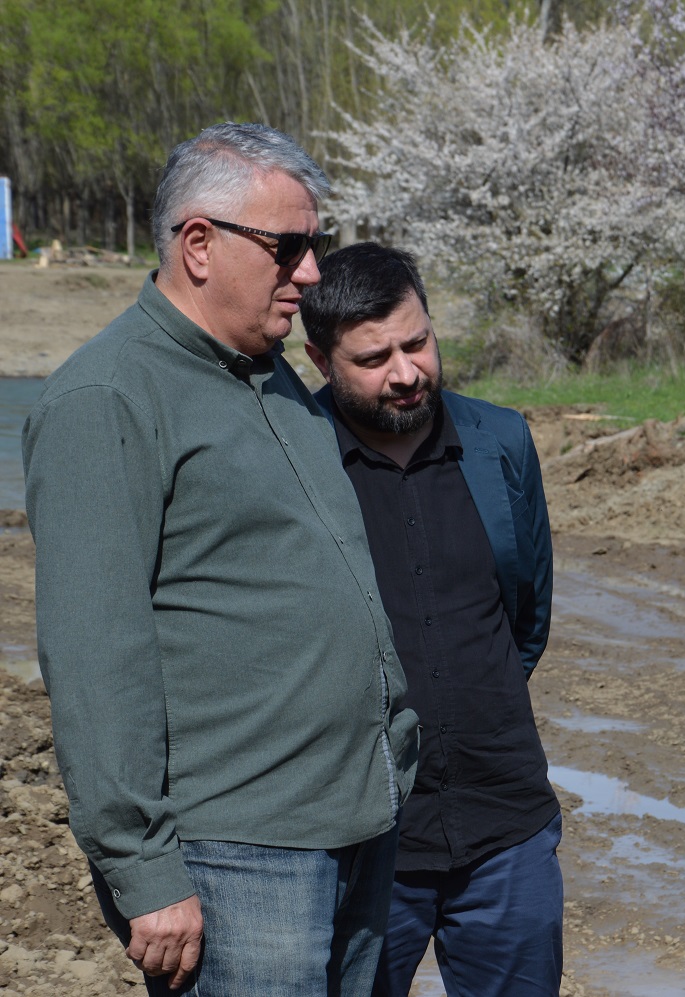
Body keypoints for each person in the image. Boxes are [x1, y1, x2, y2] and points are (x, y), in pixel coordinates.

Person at [22, 123, 419, 995]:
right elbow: (95, 653)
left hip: (357, 821)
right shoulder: (108, 396)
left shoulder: (272, 376)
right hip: (239, 855)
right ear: (198, 245)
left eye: (315, 243)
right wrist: (142, 867)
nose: (311, 272)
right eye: (288, 247)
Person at [299, 243, 561, 997]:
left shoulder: (501, 442)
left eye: (416, 343)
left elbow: (525, 616)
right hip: (359, 840)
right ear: (320, 360)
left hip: (508, 824)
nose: (406, 371)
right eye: (373, 358)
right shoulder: (297, 458)